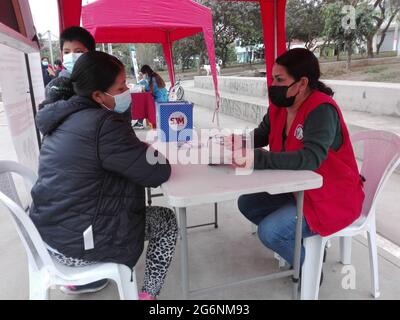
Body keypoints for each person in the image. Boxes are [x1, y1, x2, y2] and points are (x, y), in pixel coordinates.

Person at [30, 51, 178, 300]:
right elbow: (157, 172)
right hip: (76, 244)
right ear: (97, 95)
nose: (127, 90)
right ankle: (147, 296)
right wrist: (147, 149)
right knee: (166, 221)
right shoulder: (104, 124)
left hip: (48, 234)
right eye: (121, 87)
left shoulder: (62, 116)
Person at [228, 48, 365, 280]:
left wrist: (256, 159)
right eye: (272, 78)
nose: (272, 85)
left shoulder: (322, 109)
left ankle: (309, 269)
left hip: (330, 197)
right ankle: (300, 245)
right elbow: (260, 135)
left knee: (270, 232)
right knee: (248, 203)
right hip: (297, 190)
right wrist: (229, 142)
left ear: (302, 83)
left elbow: (311, 157)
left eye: (279, 79)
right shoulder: (280, 107)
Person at [132, 65, 168, 129]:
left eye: (143, 74)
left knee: (145, 106)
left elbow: (148, 88)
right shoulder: (154, 75)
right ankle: (140, 122)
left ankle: (141, 123)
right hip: (164, 98)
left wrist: (140, 84)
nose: (143, 75)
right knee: (146, 104)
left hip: (160, 100)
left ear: (145, 73)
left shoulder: (152, 78)